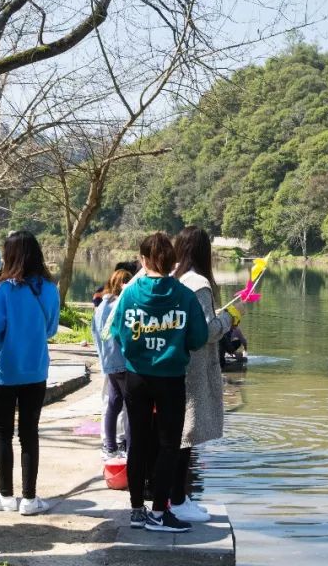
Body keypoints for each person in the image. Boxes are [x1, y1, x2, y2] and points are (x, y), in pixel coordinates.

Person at [110, 232, 208, 534]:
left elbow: (117, 332)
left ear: (143, 260)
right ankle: (160, 511)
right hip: (170, 379)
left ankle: (136, 510)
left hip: (137, 377)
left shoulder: (129, 294)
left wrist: (138, 349)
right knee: (168, 446)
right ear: (171, 262)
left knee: (137, 443)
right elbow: (198, 339)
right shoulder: (184, 296)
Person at [0, 231, 60, 516]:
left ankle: (5, 497)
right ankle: (29, 499)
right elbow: (51, 328)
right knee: (29, 433)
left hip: (4, 371)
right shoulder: (49, 289)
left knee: (2, 433)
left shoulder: (3, 290)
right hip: (36, 369)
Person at [168, 226, 233, 523]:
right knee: (187, 434)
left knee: (171, 434)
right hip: (193, 367)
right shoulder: (199, 283)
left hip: (168, 364)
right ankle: (180, 500)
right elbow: (207, 330)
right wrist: (229, 319)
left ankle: (172, 497)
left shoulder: (171, 278)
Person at [92, 268, 132, 459]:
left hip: (108, 363)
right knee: (131, 408)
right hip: (124, 363)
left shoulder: (100, 307)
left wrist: (103, 360)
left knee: (113, 404)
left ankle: (109, 446)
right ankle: (129, 448)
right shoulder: (122, 304)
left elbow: (95, 334)